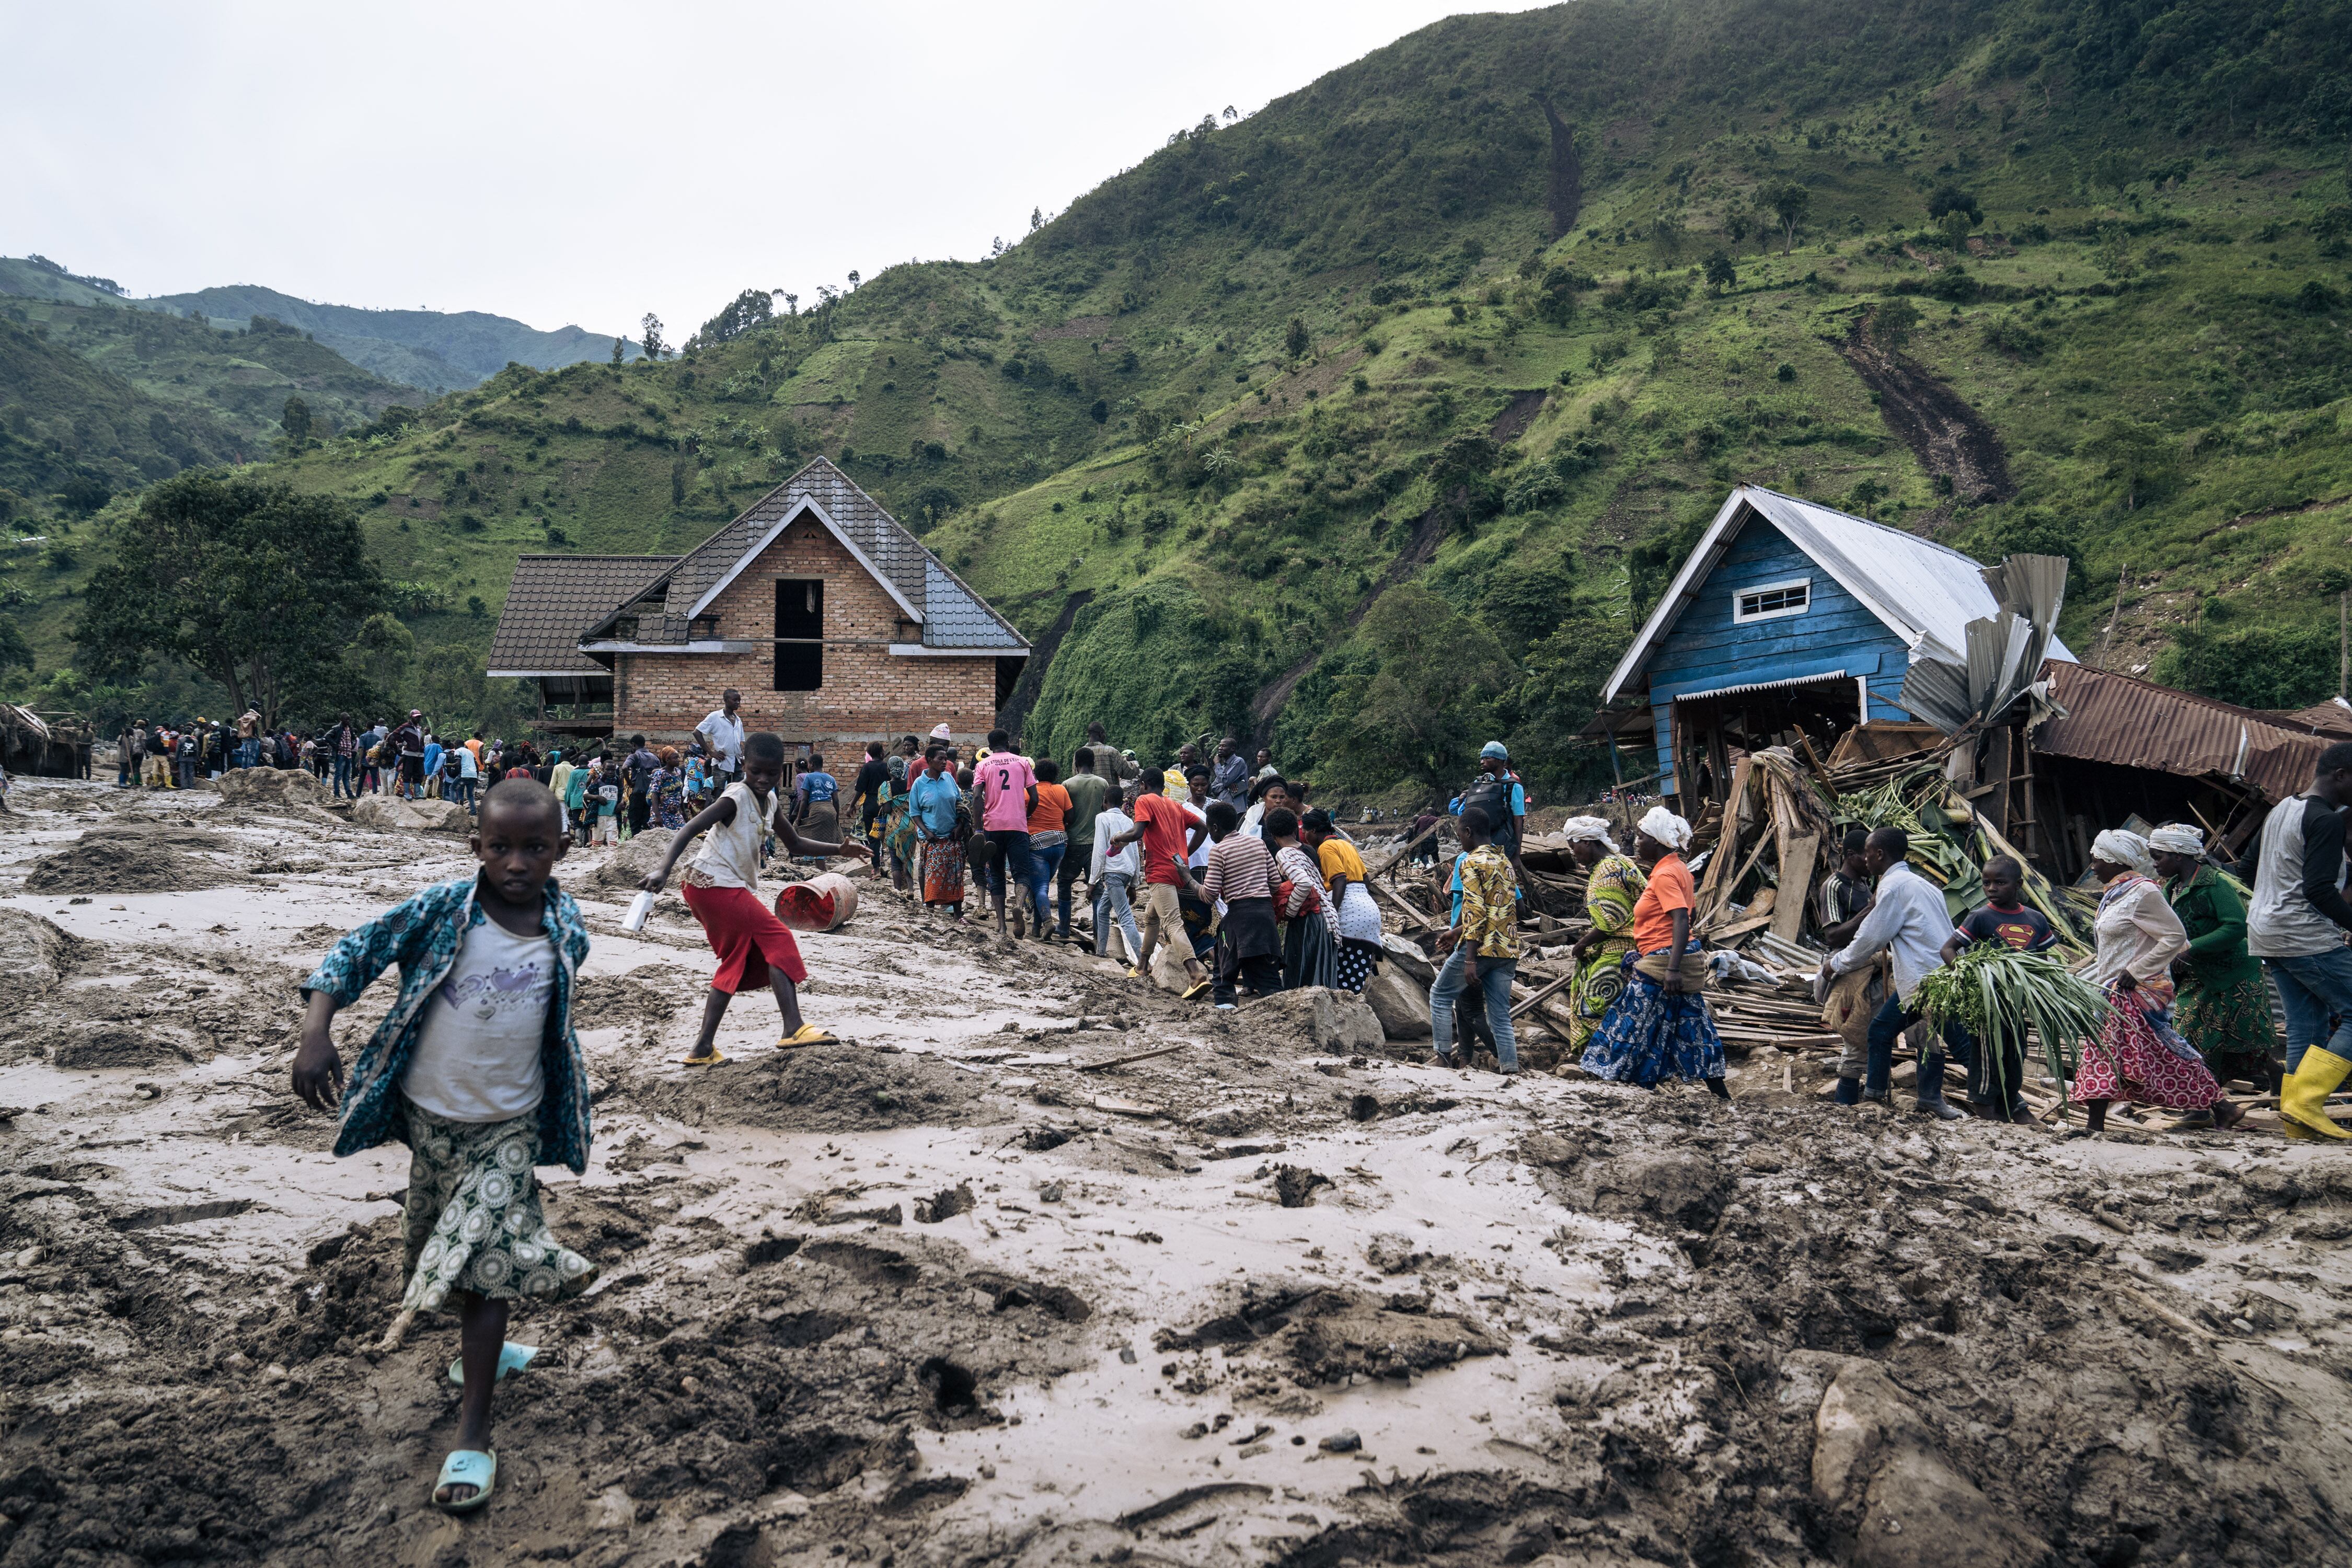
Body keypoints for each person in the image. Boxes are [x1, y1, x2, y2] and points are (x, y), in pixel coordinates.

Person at [290, 779, 597, 1513]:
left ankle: (474, 1431)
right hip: (430, 1119)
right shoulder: (440, 912)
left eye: (534, 848)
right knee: (444, 1242)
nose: (517, 862)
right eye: (500, 848)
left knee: (485, 1263)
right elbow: (356, 950)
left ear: (563, 849)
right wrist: (315, 1031)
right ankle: (481, 1360)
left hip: (511, 1125)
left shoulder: (569, 926)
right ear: (476, 849)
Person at [638, 732, 844, 1066]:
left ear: (782, 772)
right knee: (778, 937)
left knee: (738, 958)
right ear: (744, 766)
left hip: (721, 887)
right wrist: (662, 870)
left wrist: (840, 849)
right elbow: (688, 829)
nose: (763, 780)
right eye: (755, 771)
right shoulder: (735, 796)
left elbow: (795, 844)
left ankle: (703, 1048)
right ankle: (793, 1027)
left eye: (771, 773)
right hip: (711, 883)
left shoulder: (772, 801)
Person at [2074, 830, 2244, 1135]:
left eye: (2097, 860)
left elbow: (2175, 936)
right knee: (2162, 1052)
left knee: (2103, 1051)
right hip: (2113, 988)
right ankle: (2223, 1108)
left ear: (2114, 861)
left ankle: (2094, 1126)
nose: (2093, 867)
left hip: (2135, 990)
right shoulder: (2115, 894)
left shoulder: (2144, 893)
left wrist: (2138, 970)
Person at [2236, 742, 2352, 1139]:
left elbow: (2248, 868)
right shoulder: (2327, 820)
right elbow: (2320, 890)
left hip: (2267, 931)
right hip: (2304, 934)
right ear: (2341, 775)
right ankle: (2309, 1101)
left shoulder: (2282, 809)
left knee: (2307, 1022)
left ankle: (2296, 1119)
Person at [1578, 806, 1727, 1094]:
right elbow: (1689, 916)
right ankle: (1720, 1093)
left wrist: (1671, 967)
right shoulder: (1677, 868)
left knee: (1627, 1020)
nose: (1636, 842)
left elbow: (1682, 918)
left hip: (1664, 963)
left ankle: (1605, 1082)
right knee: (1693, 1027)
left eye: (1641, 837)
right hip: (1673, 957)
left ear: (1657, 842)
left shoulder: (1665, 875)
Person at [1815, 826, 1959, 1117]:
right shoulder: (1839, 886)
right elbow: (1834, 936)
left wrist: (1839, 962)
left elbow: (1873, 937)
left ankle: (1910, 1097)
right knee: (1865, 1035)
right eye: (1864, 855)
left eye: (1870, 855)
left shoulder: (1888, 886)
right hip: (1877, 974)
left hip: (1907, 975)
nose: (1867, 861)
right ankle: (1862, 1101)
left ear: (1879, 855)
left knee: (1928, 1035)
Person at [2149, 824, 2278, 1097]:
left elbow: (2235, 927)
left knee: (2246, 1044)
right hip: (2198, 976)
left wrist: (2190, 949)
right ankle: (2206, 1102)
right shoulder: (2170, 888)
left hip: (2235, 974)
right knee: (2189, 1037)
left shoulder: (2214, 883)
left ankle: (2278, 1085)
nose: (2155, 863)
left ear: (2179, 856)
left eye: (2159, 856)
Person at [1935, 855, 2056, 1122]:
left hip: (2018, 1006)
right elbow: (1948, 949)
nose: (1991, 889)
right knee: (1987, 1061)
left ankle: (2007, 1112)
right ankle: (1986, 1118)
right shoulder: (1980, 916)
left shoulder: (2036, 919)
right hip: (1988, 1006)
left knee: (2015, 1059)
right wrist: (1969, 974)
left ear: (2018, 885)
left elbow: (2043, 963)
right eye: (1986, 883)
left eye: (2000, 883)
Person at [1430, 806, 1523, 1075]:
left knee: (1440, 995)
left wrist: (1469, 958)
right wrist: (1455, 932)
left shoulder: (1470, 862)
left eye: (1460, 834)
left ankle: (1443, 1058)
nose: (1460, 839)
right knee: (1500, 1014)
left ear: (1468, 832)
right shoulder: (1503, 861)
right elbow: (1498, 910)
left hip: (1481, 947)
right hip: (1508, 948)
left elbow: (1476, 912)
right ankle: (1510, 1067)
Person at [1111, 771, 1211, 998]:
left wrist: (1118, 838)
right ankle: (1143, 965)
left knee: (1173, 923)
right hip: (1177, 870)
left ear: (1144, 785)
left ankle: (1195, 974)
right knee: (1151, 916)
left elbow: (1138, 832)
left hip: (1160, 871)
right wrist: (1185, 854)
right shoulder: (1174, 806)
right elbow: (1203, 828)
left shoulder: (1145, 800)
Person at [1562, 816, 1646, 1053]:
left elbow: (1611, 921)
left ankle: (1602, 1055)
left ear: (1588, 842)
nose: (1574, 854)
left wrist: (1582, 944)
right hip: (1635, 943)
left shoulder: (1607, 870)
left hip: (1621, 948)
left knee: (1593, 1003)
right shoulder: (1620, 861)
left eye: (1574, 847)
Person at [1202, 799, 1282, 1008]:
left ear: (1216, 827)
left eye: (1209, 829)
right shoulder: (1258, 843)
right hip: (1265, 916)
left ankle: (1225, 1015)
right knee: (1267, 974)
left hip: (1239, 918)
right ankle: (1283, 1013)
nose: (1210, 834)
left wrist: (1188, 879)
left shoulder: (1219, 851)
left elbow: (1210, 894)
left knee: (1223, 972)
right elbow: (1275, 882)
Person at [1302, 809, 1382, 992]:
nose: (1305, 835)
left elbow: (1339, 879)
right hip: (1367, 907)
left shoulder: (1326, 848)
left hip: (1350, 912)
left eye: (1305, 831)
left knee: (1341, 979)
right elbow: (1366, 879)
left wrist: (1333, 912)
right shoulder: (1346, 845)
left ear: (1314, 830)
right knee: (1355, 972)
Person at [974, 730, 1037, 939]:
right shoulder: (1022, 763)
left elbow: (976, 798)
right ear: (1008, 743)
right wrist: (1024, 816)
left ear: (990, 746)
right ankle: (1019, 905)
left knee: (997, 874)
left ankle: (1001, 926)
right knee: (1022, 872)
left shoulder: (982, 765)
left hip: (993, 826)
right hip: (1017, 826)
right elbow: (1034, 798)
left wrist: (978, 829)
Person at [1265, 808, 1336, 990]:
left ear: (1272, 835)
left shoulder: (1284, 854)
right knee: (1320, 974)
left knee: (1302, 976)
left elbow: (1304, 884)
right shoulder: (1308, 850)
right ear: (1295, 830)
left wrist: (1289, 912)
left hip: (1310, 917)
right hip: (1327, 917)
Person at [907, 748, 969, 920]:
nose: (945, 762)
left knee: (955, 877)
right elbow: (915, 813)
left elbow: (960, 804)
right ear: (929, 760)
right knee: (933, 877)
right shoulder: (919, 784)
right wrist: (926, 832)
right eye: (940, 759)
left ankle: (958, 915)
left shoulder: (949, 778)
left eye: (946, 759)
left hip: (952, 838)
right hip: (933, 840)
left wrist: (960, 826)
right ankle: (931, 913)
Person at [1057, 747, 1111, 942]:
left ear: (1075, 764)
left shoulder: (1067, 785)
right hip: (1096, 845)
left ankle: (1063, 928)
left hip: (1072, 843)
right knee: (1096, 888)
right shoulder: (1102, 783)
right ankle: (1099, 933)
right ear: (1094, 763)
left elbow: (1064, 814)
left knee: (1064, 884)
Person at [1456, 742, 1529, 880]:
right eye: (1482, 758)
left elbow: (1518, 821)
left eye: (1487, 758)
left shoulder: (1514, 786)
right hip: (1477, 843)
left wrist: (1516, 855)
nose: (1482, 762)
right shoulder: (1478, 783)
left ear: (1501, 760)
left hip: (1503, 846)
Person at [1089, 788, 1145, 969]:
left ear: (1105, 801)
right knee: (1103, 911)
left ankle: (1142, 961)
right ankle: (1101, 951)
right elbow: (1136, 853)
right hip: (1126, 872)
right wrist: (1134, 883)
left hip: (1112, 872)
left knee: (1125, 917)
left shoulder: (1102, 818)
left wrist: (1092, 881)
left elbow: (1099, 850)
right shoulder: (1128, 820)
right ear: (1122, 802)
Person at [1024, 758, 1073, 940]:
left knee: (1040, 888)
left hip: (1037, 843)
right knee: (1043, 884)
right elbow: (1070, 816)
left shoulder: (1028, 792)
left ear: (1035, 775)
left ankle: (1047, 922)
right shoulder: (1061, 790)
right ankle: (1037, 929)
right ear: (1055, 775)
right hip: (1060, 843)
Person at [1816, 828, 1875, 947]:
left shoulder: (1863, 883)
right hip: (1847, 959)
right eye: (1867, 855)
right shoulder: (1834, 886)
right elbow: (1832, 938)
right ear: (1851, 855)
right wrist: (1870, 909)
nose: (1872, 861)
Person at [696, 689, 747, 792]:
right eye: (735, 700)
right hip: (722, 762)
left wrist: (743, 757)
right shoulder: (715, 717)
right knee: (719, 795)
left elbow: (741, 742)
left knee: (737, 794)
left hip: (737, 763)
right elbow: (697, 732)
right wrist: (711, 753)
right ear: (725, 700)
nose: (738, 703)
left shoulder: (738, 720)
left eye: (739, 701)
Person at [851, 742, 891, 872]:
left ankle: (877, 869)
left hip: (870, 804)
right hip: (884, 804)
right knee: (885, 835)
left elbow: (860, 789)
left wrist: (851, 805)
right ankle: (890, 863)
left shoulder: (867, 767)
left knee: (873, 837)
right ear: (881, 752)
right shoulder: (887, 767)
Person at [624, 735, 658, 837]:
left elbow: (625, 768)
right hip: (651, 793)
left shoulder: (634, 756)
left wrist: (629, 783)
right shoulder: (654, 757)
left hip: (638, 792)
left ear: (633, 745)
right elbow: (658, 773)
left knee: (635, 822)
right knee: (647, 820)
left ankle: (636, 841)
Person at [1210, 737, 1251, 813]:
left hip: (1236, 809)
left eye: (1224, 746)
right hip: (1222, 806)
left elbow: (1226, 780)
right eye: (1220, 746)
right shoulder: (1222, 768)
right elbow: (1213, 788)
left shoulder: (1239, 761)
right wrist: (1227, 785)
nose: (1220, 748)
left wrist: (1217, 763)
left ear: (1232, 749)